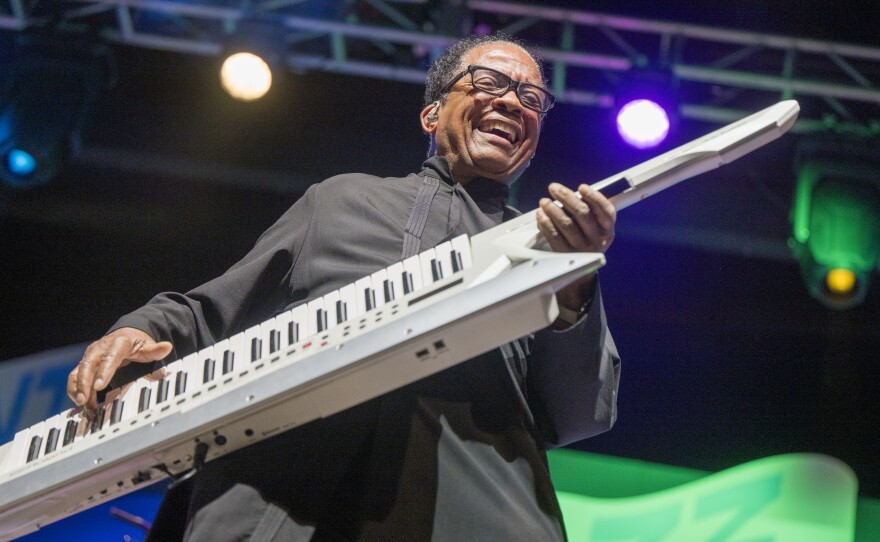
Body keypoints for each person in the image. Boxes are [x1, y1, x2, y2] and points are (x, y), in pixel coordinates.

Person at [67, 35, 620, 541]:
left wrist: (575, 284)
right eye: (490, 82)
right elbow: (209, 313)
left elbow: (576, 414)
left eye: (530, 96)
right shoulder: (340, 201)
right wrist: (141, 329)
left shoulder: (546, 247)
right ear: (431, 113)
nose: (512, 101)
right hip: (291, 506)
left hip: (471, 516)